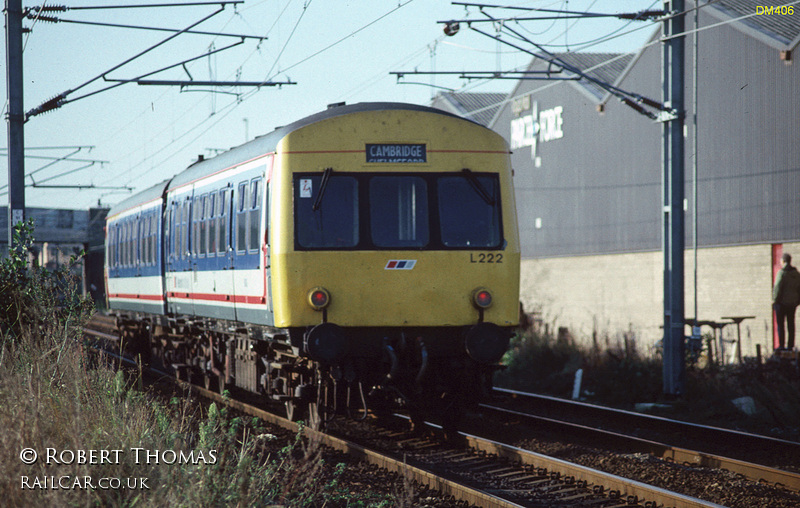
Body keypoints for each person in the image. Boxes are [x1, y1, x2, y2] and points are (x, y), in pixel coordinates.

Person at [773, 253, 800, 351]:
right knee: (791, 324)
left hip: (782, 303)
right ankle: (790, 345)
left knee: (780, 324)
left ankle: (781, 345)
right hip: (792, 303)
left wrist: (775, 300)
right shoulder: (796, 274)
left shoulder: (782, 273)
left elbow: (777, 287)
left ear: (783, 261)